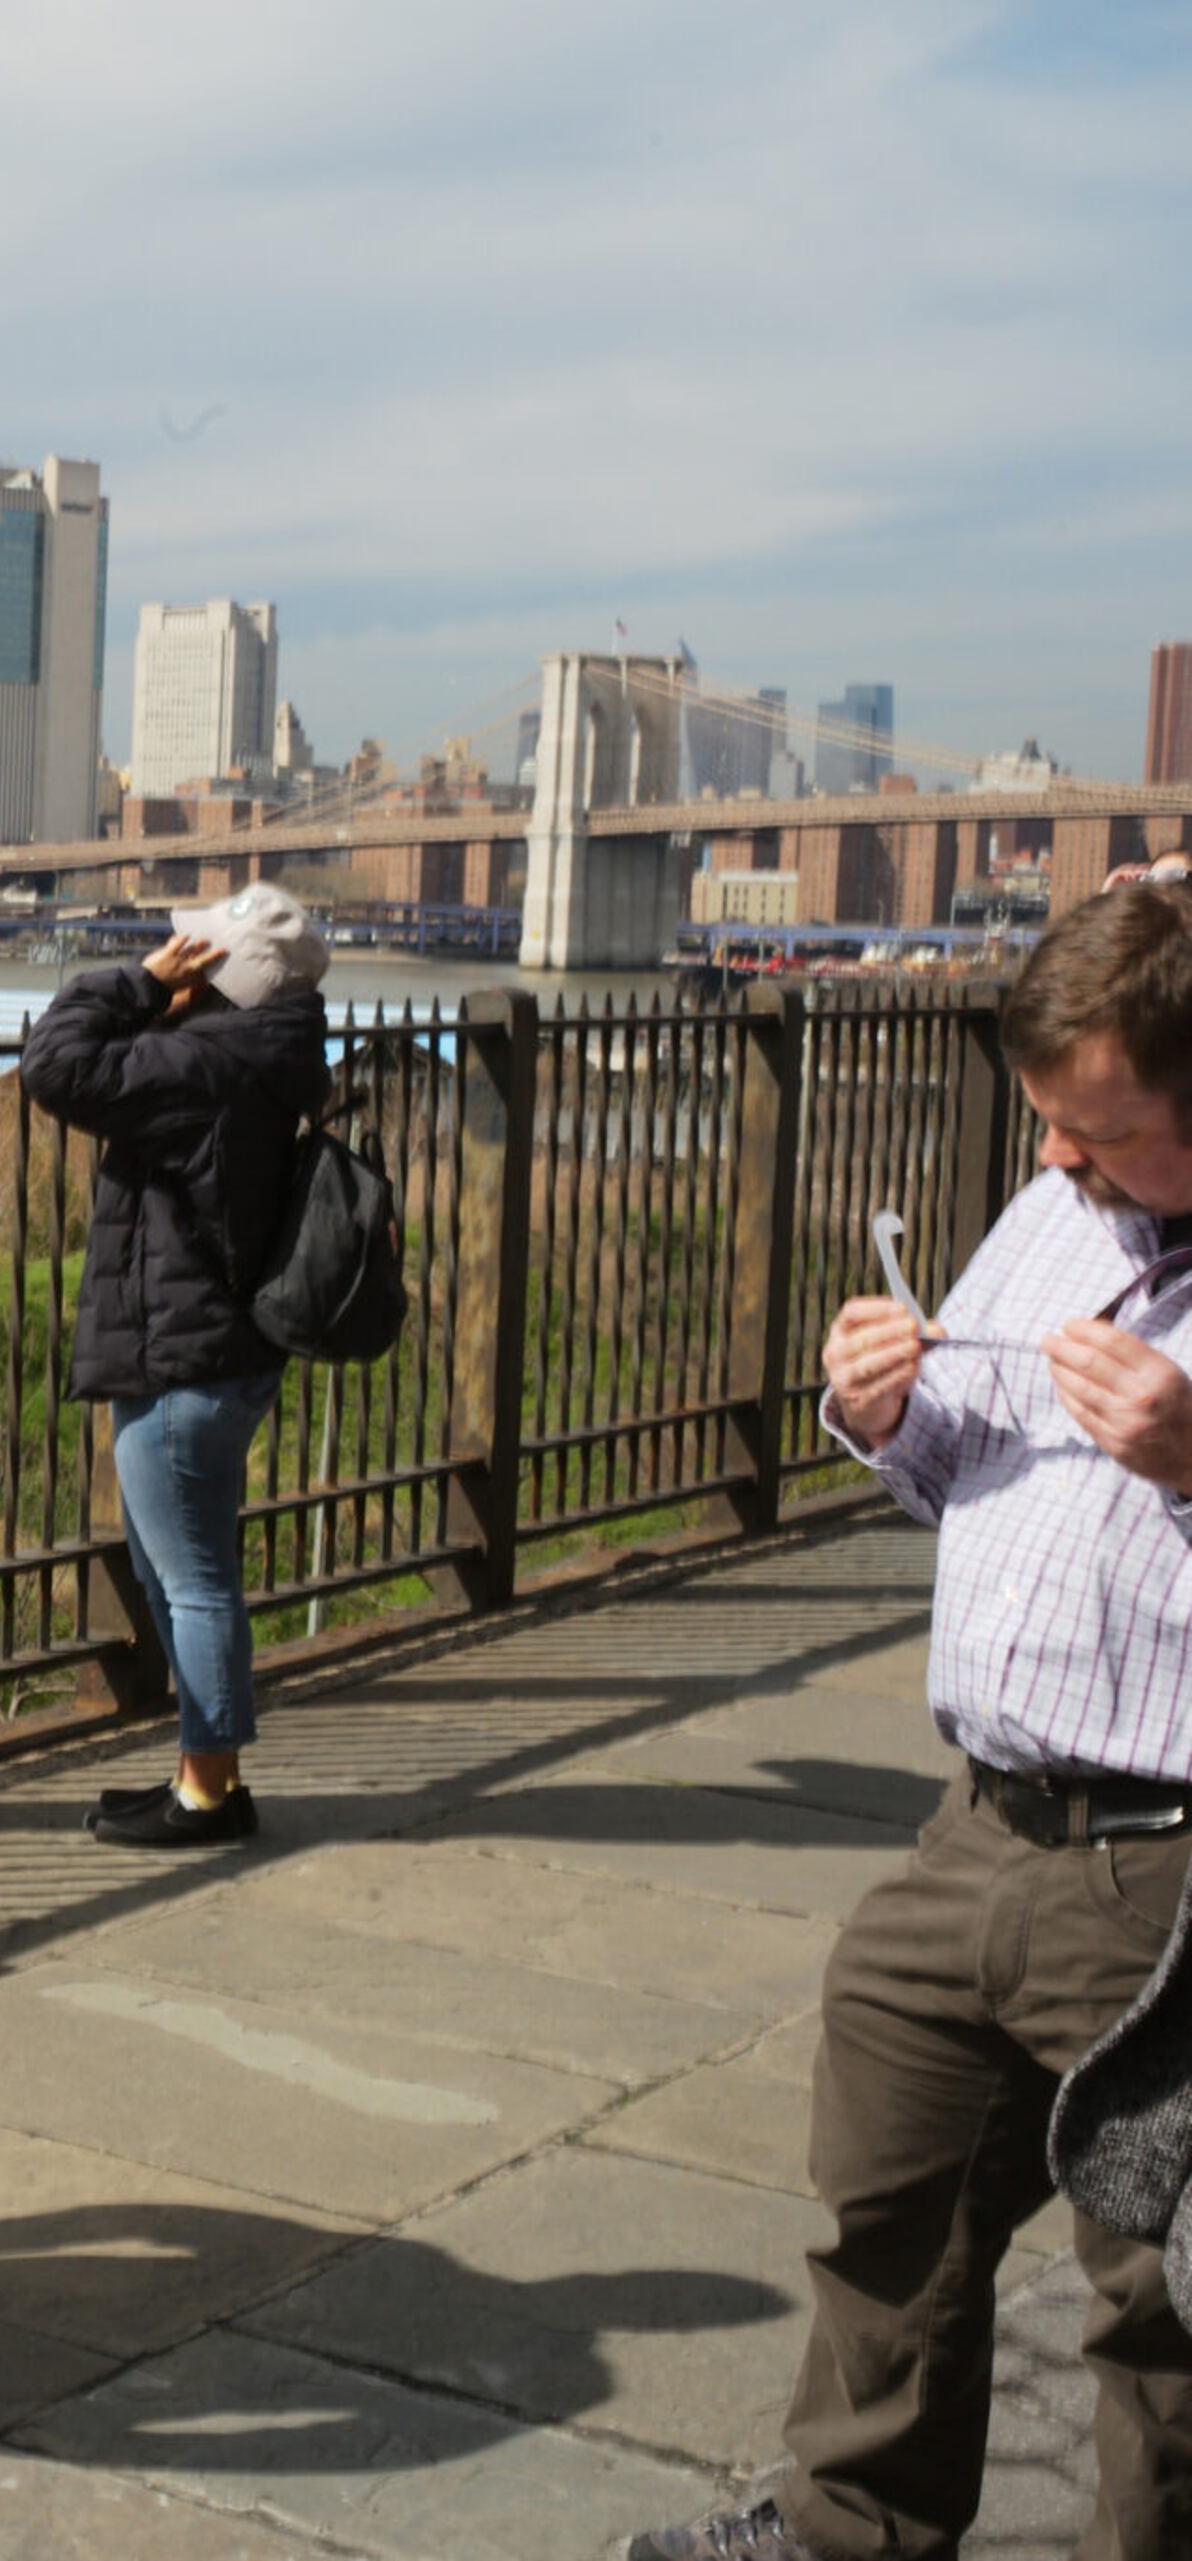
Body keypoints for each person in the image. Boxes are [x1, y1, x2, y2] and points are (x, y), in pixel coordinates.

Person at [632, 884, 1192, 2561]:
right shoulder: (1052, 1219)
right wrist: (880, 1408)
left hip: (1164, 1866)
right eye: (1045, 1126)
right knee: (893, 2204)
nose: (1056, 1168)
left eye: (1101, 1135)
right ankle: (843, 2531)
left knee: (1156, 2290)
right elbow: (953, 1459)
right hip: (980, 1826)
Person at [16, 883, 333, 1848]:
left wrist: (139, 983)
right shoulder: (266, 1053)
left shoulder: (202, 1061)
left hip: (180, 1352)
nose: (172, 951)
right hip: (216, 1347)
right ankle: (204, 1773)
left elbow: (53, 1064)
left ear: (218, 975)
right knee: (176, 1568)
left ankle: (208, 1796)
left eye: (191, 949)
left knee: (193, 1578)